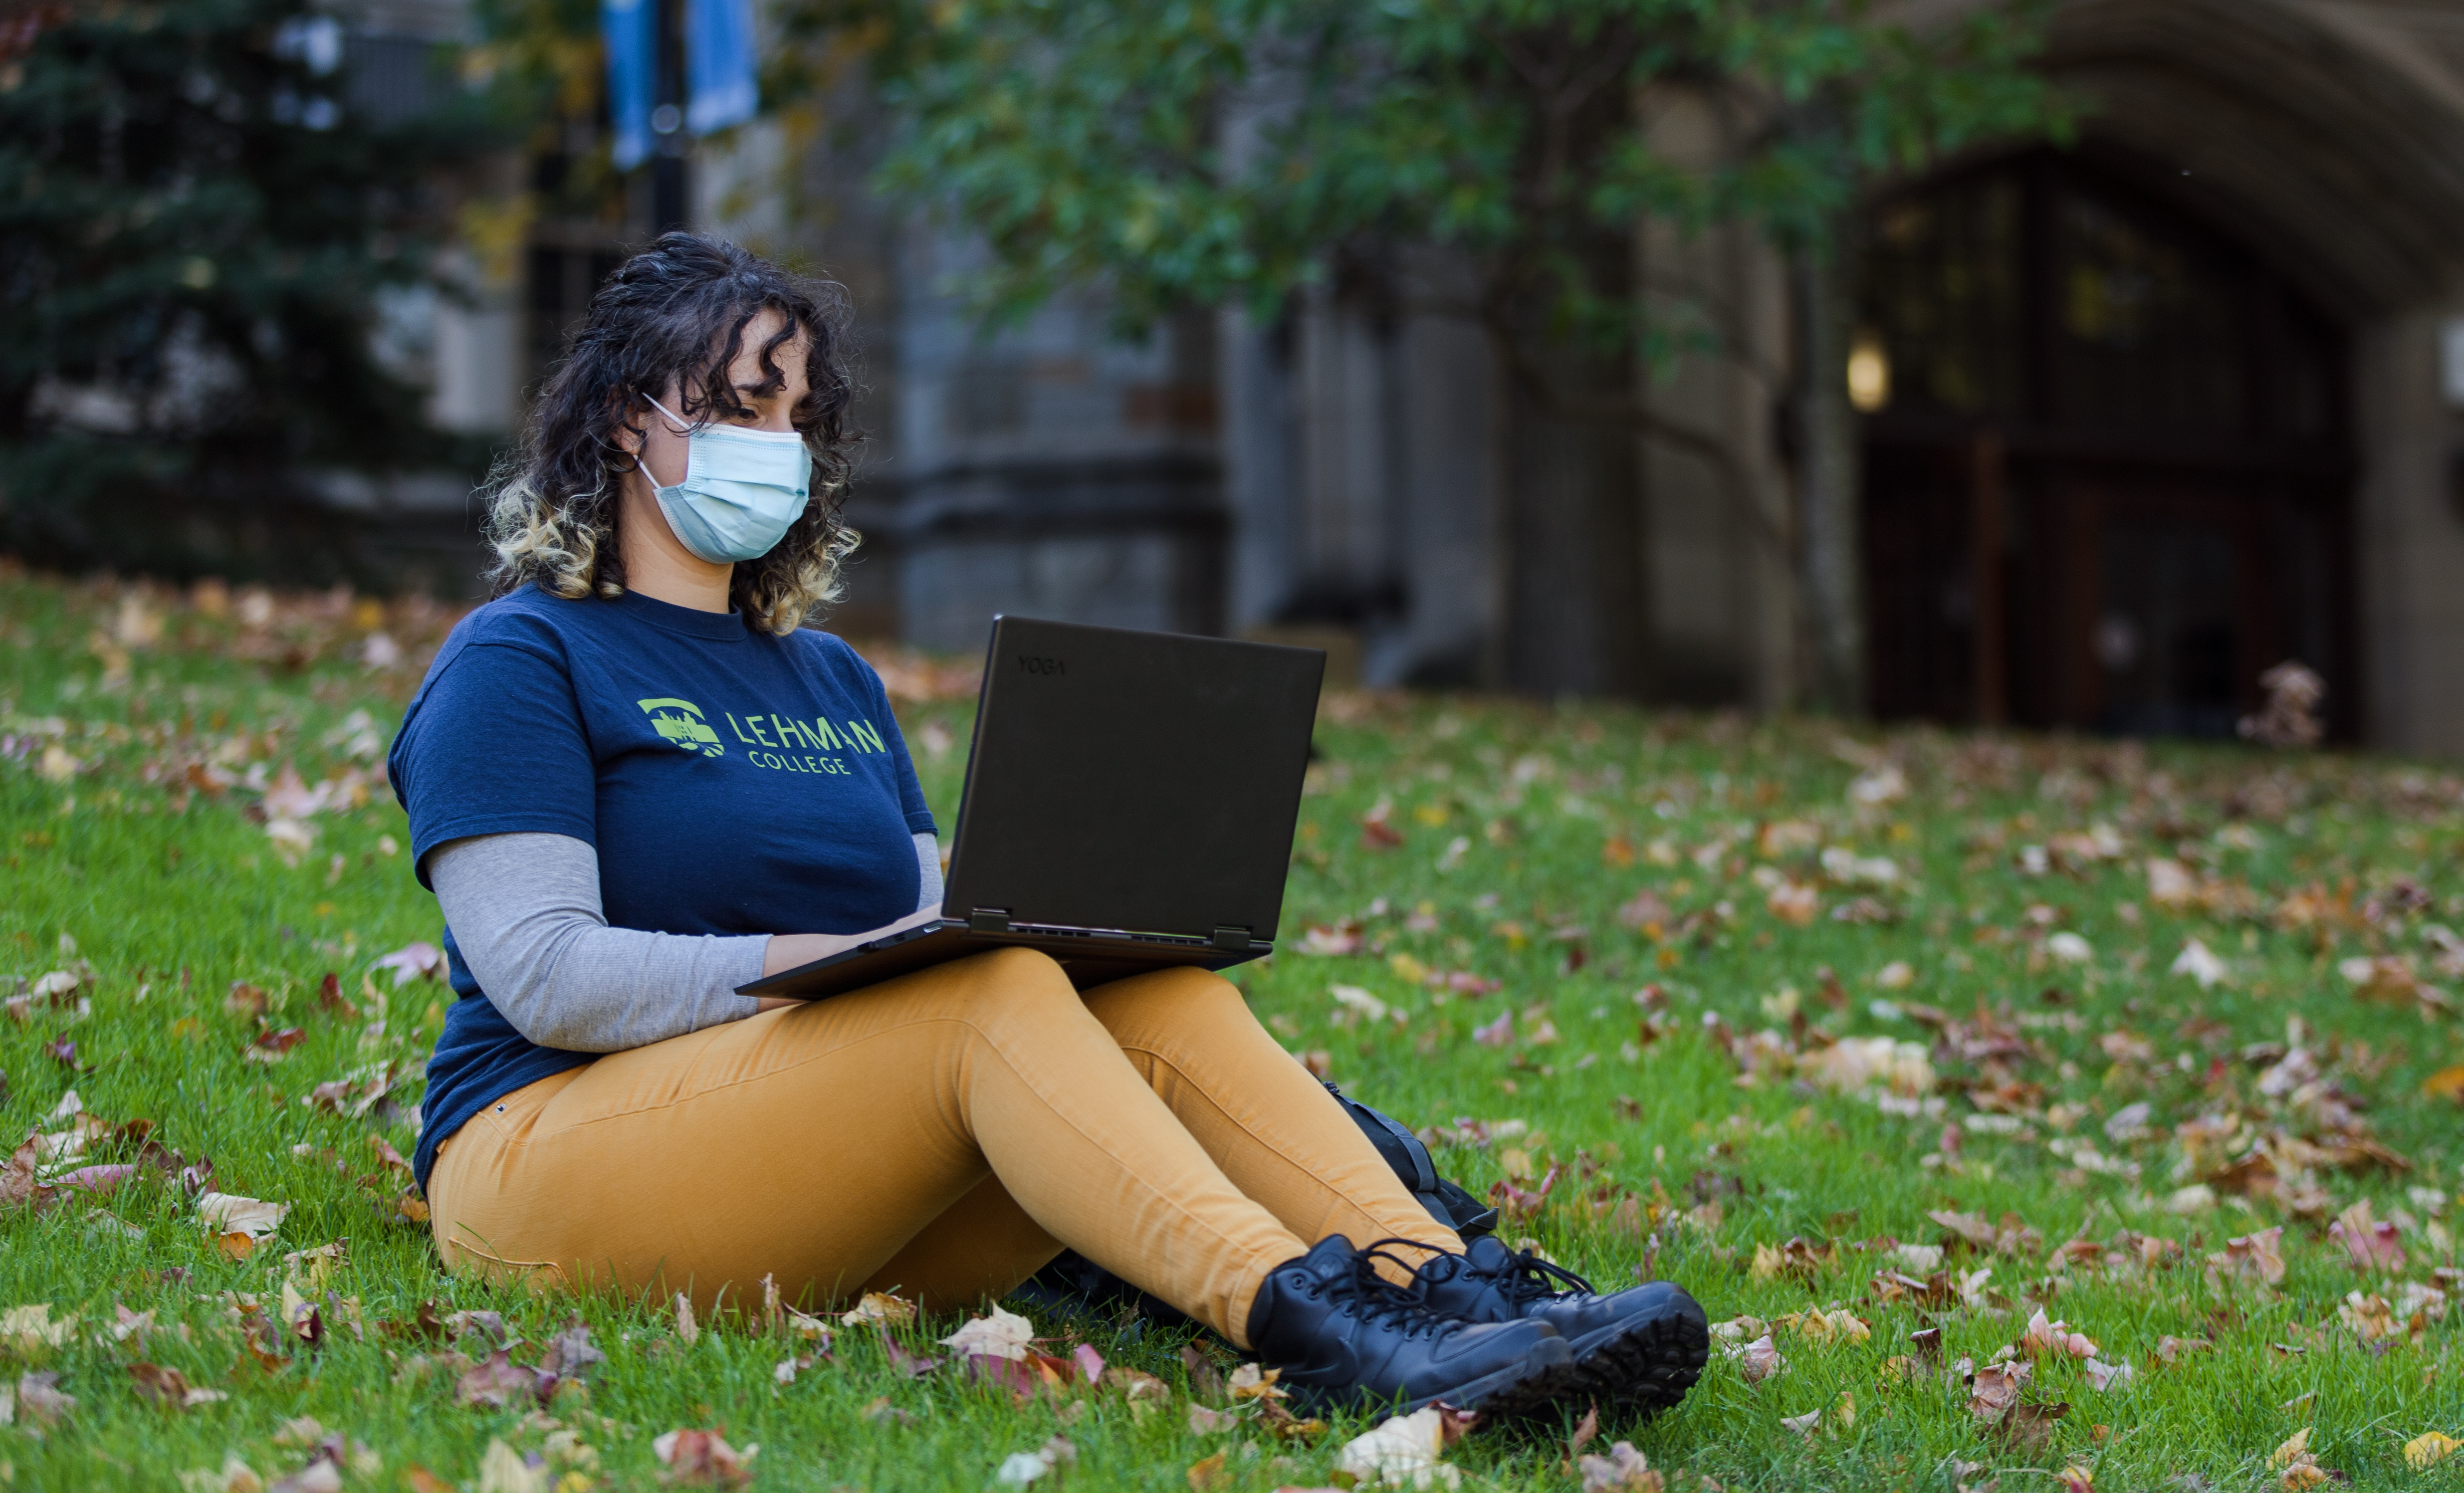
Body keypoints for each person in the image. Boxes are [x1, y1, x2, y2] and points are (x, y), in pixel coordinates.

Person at [390, 233, 1707, 1419]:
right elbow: (547, 976)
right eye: (743, 405)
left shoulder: (831, 679)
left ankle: (1451, 1293)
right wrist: (829, 967)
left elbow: (917, 915)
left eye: (798, 415)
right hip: (550, 1164)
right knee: (990, 991)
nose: (778, 443)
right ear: (629, 422)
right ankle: (1320, 1334)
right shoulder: (522, 657)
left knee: (1150, 995)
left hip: (829, 1182)